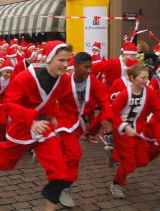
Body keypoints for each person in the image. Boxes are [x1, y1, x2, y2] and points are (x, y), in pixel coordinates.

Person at [0, 40, 73, 211]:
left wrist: (52, 115)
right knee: (6, 164)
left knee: (59, 173)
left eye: (68, 60)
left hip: (44, 130)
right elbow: (9, 105)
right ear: (49, 59)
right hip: (22, 128)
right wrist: (31, 120)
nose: (65, 64)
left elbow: (53, 100)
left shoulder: (64, 79)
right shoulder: (25, 78)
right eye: (61, 60)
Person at [107, 64, 160, 199]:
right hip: (123, 133)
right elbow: (113, 114)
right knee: (130, 162)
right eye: (142, 77)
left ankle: (116, 156)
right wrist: (124, 127)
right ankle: (116, 183)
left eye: (147, 77)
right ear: (132, 78)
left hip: (138, 133)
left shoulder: (149, 93)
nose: (146, 80)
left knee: (142, 161)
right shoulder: (124, 94)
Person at [54, 52, 112, 207]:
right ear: (75, 67)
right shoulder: (63, 80)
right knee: (74, 153)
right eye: (86, 67)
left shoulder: (94, 82)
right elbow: (49, 96)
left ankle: (47, 154)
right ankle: (63, 186)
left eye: (90, 67)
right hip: (65, 119)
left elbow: (105, 100)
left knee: (65, 149)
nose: (89, 70)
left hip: (80, 122)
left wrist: (106, 116)